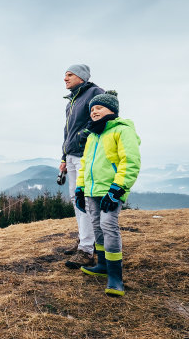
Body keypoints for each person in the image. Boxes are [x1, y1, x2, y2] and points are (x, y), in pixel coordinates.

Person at [75, 91, 141, 296]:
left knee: (108, 225)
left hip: (111, 190)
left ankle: (115, 276)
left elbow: (130, 161)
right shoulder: (93, 135)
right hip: (92, 190)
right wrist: (80, 188)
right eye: (92, 109)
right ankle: (102, 265)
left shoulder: (122, 130)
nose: (94, 112)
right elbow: (84, 164)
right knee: (97, 226)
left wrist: (117, 189)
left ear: (112, 110)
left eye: (99, 108)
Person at [60, 64, 104, 269]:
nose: (65, 78)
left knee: (84, 200)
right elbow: (66, 133)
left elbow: (99, 118)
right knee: (76, 200)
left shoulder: (95, 93)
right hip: (71, 156)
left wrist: (81, 138)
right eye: (65, 75)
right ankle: (85, 240)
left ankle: (87, 250)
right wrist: (63, 157)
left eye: (69, 74)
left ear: (82, 77)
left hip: (85, 155)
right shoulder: (71, 102)